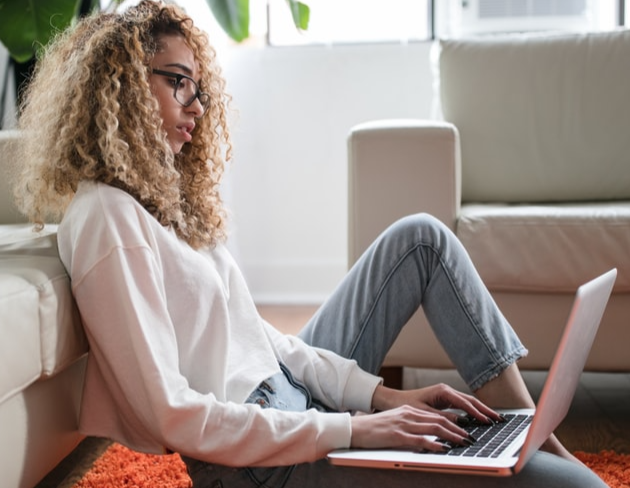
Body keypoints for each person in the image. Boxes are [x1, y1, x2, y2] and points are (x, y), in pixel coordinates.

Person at [14, 2, 607, 487]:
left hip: (294, 406)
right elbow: (170, 412)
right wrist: (353, 430)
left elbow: (262, 339)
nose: (197, 106)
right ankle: (536, 457)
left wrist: (377, 397)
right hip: (254, 466)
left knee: (421, 239)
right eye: (178, 83)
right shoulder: (106, 219)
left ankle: (530, 433)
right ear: (120, 88)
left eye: (200, 88)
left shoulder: (166, 205)